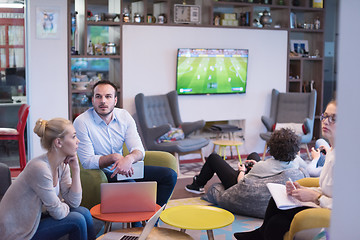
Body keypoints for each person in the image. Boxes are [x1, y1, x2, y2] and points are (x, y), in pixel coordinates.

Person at [234, 100, 336, 240]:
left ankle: (262, 234)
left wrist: (315, 197)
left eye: (334, 118)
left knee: (277, 223)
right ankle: (260, 233)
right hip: (321, 201)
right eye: (325, 116)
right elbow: (329, 189)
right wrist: (304, 190)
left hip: (329, 211)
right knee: (275, 201)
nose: (326, 121)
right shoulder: (332, 150)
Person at [73, 80, 177, 208]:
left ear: (115, 100)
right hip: (104, 174)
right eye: (98, 96)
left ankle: (151, 219)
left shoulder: (124, 116)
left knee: (169, 175)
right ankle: (137, 226)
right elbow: (87, 161)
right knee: (132, 186)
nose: (103, 101)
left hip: (127, 168)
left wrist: (129, 158)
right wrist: (115, 157)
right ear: (93, 100)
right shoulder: (82, 122)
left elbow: (139, 149)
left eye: (108, 96)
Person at [0, 118, 96, 240]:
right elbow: (58, 213)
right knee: (77, 220)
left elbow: (74, 203)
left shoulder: (62, 165)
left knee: (84, 212)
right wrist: (60, 204)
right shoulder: (39, 168)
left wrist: (76, 169)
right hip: (19, 232)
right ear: (58, 143)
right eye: (73, 137)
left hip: (36, 219)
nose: (78, 141)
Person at [185, 128, 306, 195]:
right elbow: (307, 168)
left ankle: (197, 185)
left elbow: (241, 182)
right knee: (254, 155)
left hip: (238, 186)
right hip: (265, 177)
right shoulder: (296, 161)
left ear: (272, 147)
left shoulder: (263, 166)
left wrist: (242, 171)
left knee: (213, 158)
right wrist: (257, 165)